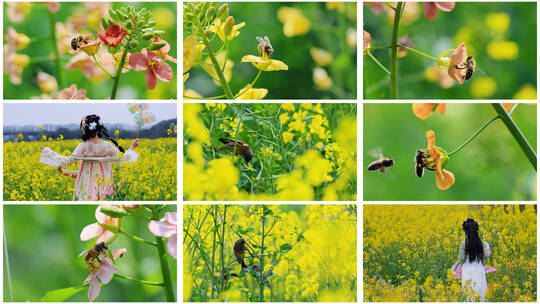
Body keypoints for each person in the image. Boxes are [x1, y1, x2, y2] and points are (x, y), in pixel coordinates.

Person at [40, 114, 139, 200]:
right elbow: (122, 159)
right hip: (104, 182)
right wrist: (132, 147)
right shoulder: (107, 145)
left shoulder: (83, 146)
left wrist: (48, 153)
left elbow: (68, 160)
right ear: (98, 129)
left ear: (84, 130)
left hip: (86, 184)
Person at [458, 218, 491, 302]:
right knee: (480, 288)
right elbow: (486, 255)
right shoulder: (481, 242)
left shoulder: (463, 243)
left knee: (468, 290)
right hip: (479, 268)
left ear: (465, 231)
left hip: (467, 269)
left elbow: (461, 259)